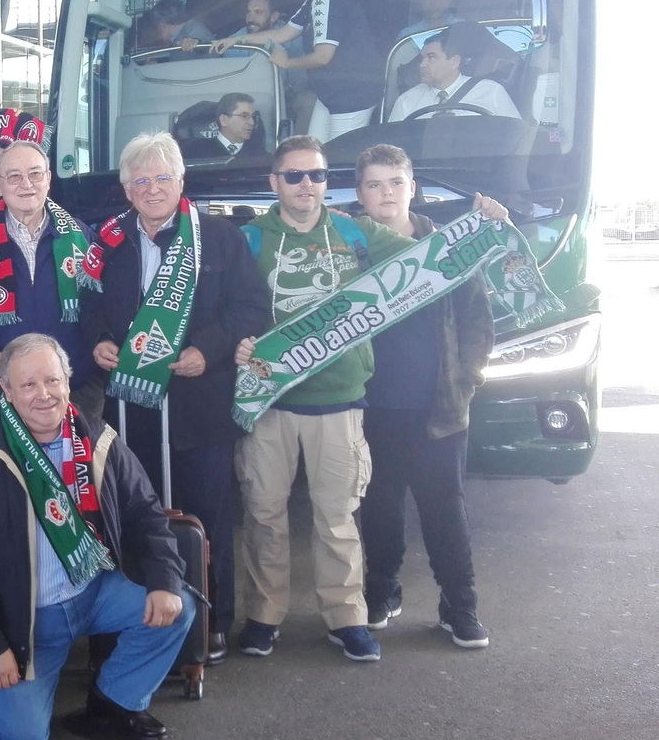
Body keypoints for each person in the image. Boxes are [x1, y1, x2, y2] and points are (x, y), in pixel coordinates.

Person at [229, 136, 506, 664]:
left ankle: (348, 616)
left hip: (343, 402)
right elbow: (227, 304)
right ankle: (265, 615)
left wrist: (484, 225)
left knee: (338, 518)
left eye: (315, 175)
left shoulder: (355, 231)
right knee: (265, 514)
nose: (306, 184)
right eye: (294, 176)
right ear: (274, 183)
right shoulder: (247, 240)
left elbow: (437, 262)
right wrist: (237, 341)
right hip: (272, 402)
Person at [0, 333, 193, 740]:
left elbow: (146, 513)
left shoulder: (96, 435)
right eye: (29, 385)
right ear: (6, 389)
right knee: (22, 739)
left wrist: (164, 580)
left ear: (68, 383)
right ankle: (10, 681)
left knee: (179, 604)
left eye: (53, 381)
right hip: (24, 621)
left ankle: (114, 700)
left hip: (94, 592)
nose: (44, 395)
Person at [81, 132, 269, 664]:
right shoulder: (107, 241)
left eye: (163, 178)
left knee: (205, 513)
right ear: (126, 188)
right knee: (135, 517)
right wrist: (98, 342)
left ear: (181, 182)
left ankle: (212, 620)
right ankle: (137, 618)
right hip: (128, 410)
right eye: (141, 180)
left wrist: (207, 351)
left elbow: (253, 309)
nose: (152, 188)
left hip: (197, 407)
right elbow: (87, 304)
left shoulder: (219, 237)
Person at [354, 144, 491, 648]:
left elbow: (479, 318)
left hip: (439, 407)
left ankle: (461, 604)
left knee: (444, 508)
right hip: (370, 406)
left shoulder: (450, 246)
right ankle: (382, 590)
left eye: (395, 182)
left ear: (413, 188)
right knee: (379, 506)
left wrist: (469, 377)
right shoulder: (347, 245)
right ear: (360, 194)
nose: (386, 193)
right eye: (374, 184)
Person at [0, 141, 99, 420]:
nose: (26, 184)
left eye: (35, 174)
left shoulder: (81, 238)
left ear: (48, 179)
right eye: (14, 176)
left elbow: (103, 304)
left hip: (72, 389)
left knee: (72, 464)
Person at [212, 0, 382, 142]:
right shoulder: (314, 0)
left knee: (337, 159)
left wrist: (287, 63)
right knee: (314, 150)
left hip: (352, 95)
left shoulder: (328, 0)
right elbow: (283, 33)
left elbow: (323, 56)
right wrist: (237, 39)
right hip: (329, 94)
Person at [386, 29, 520, 121]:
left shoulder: (491, 92)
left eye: (431, 57)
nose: (422, 64)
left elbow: (515, 136)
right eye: (422, 58)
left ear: (454, 62)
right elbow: (392, 151)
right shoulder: (407, 101)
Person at [180, 93, 267, 161]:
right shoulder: (193, 153)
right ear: (224, 120)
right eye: (244, 116)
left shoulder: (261, 158)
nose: (251, 122)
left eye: (253, 117)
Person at [144, 0, 215, 52]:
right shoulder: (176, 40)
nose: (154, 34)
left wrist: (195, 41)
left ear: (162, 24)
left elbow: (210, 47)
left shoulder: (192, 29)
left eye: (155, 27)